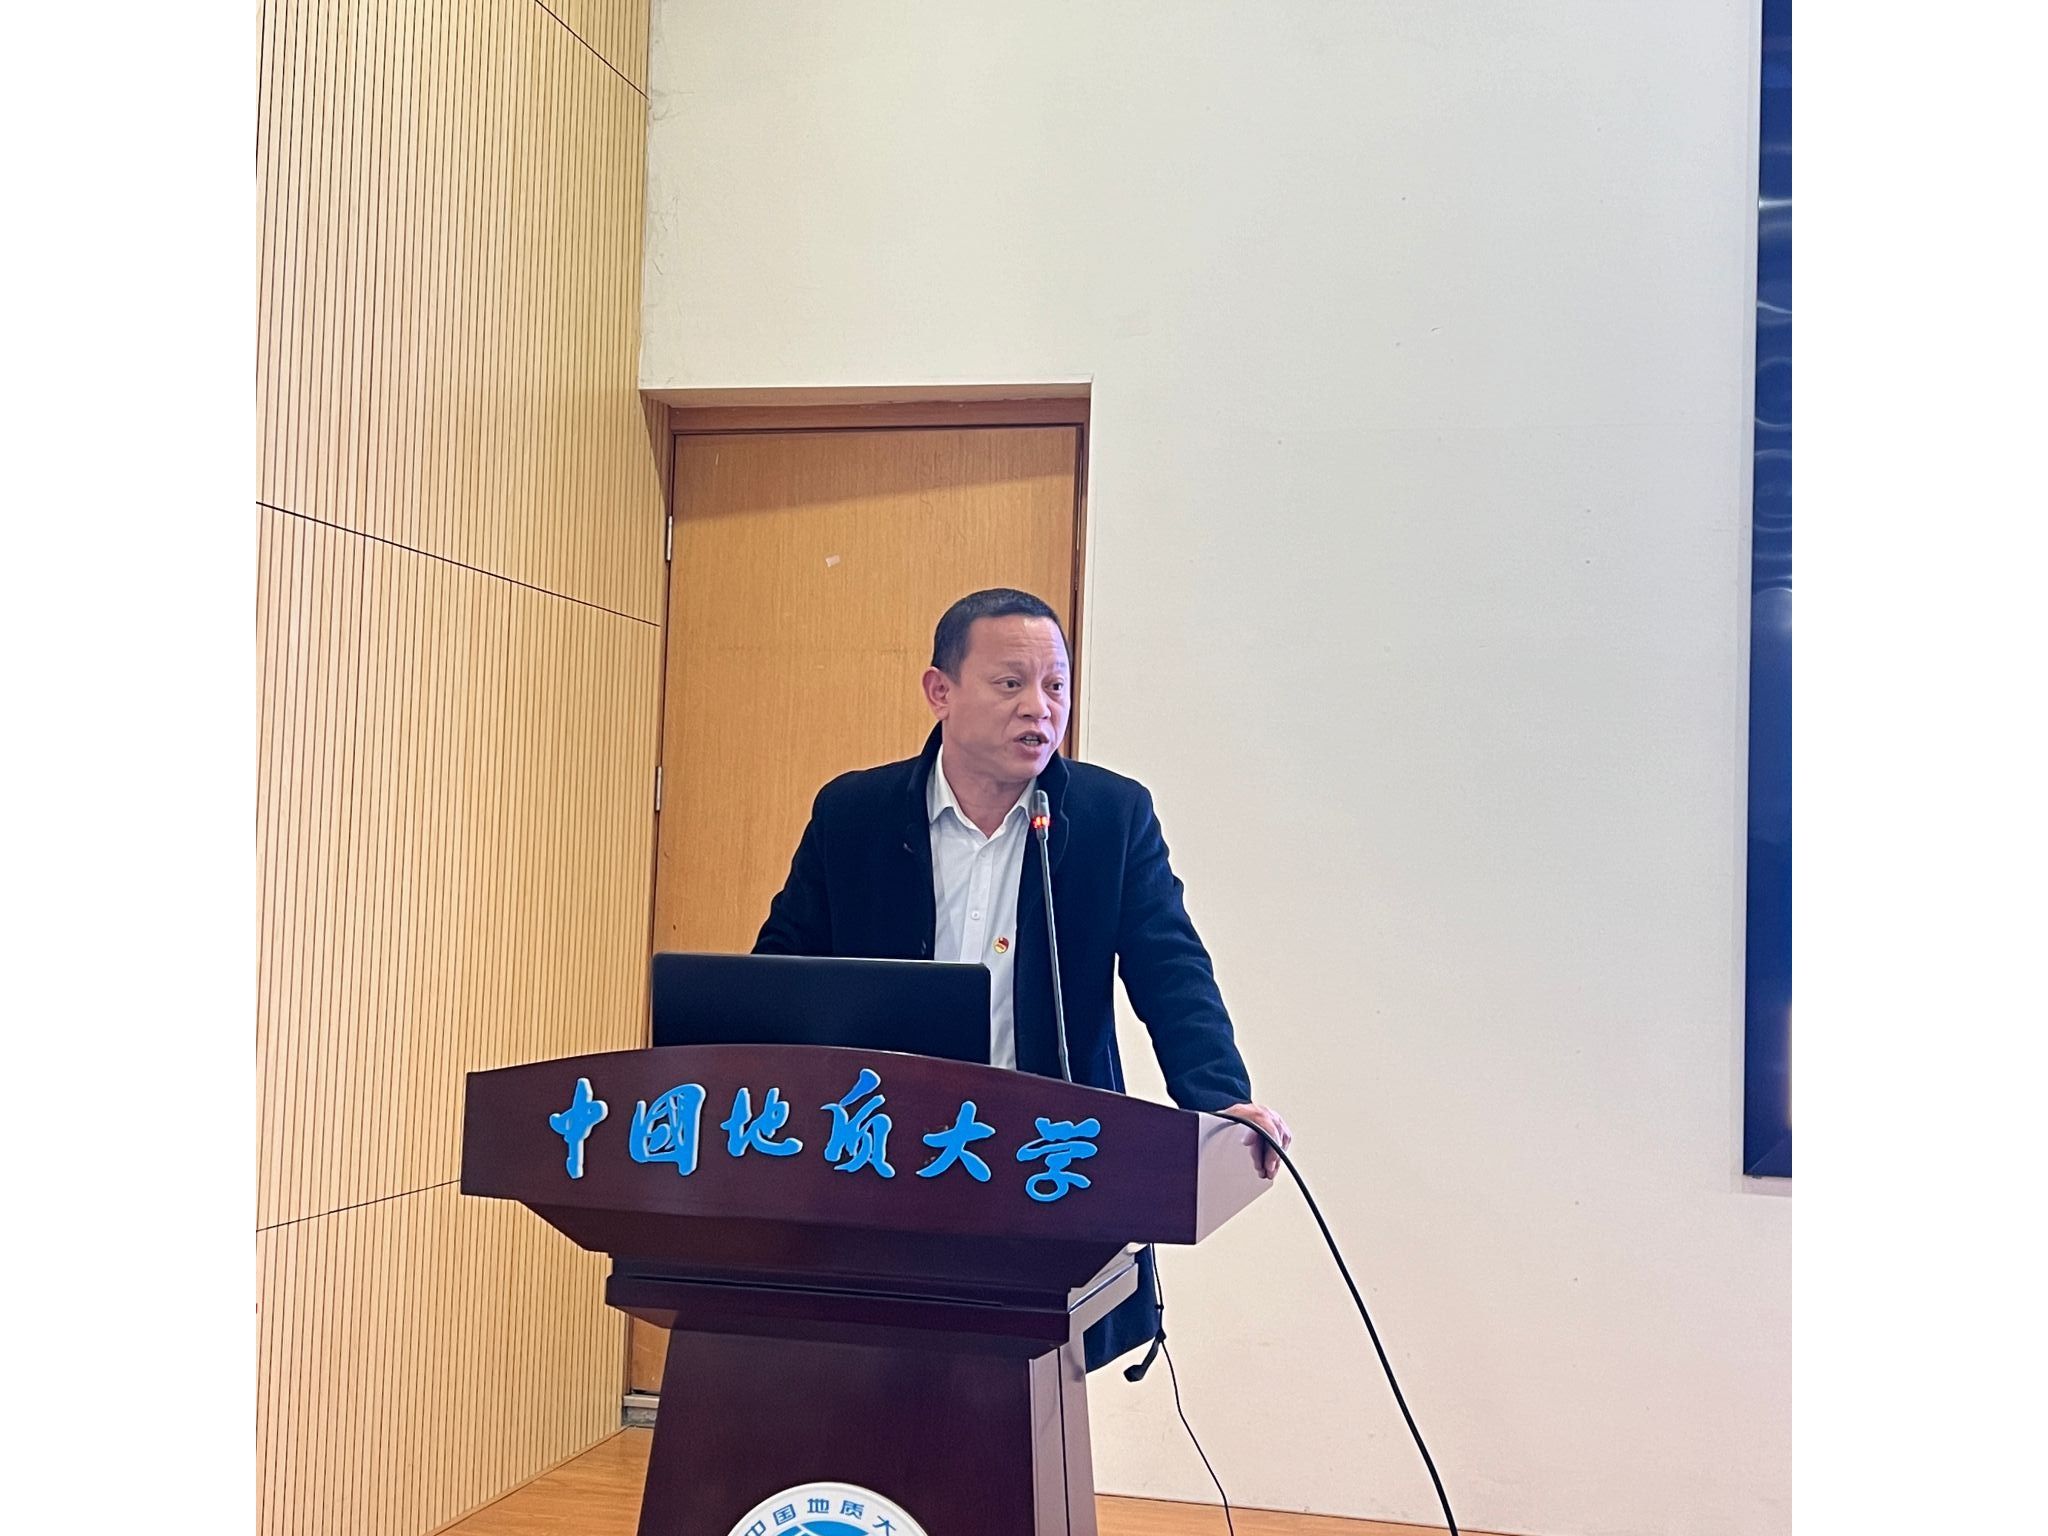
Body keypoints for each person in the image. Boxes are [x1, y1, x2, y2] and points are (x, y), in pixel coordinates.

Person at [754, 587, 1292, 1372]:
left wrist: (1218, 1098)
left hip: (1040, 1162)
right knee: (876, 1381)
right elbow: (782, 970)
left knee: (1027, 1391)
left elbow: (1170, 968)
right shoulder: (855, 814)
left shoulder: (1108, 816)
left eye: (1055, 686)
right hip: (880, 1155)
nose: (1039, 708)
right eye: (1010, 684)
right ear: (940, 691)